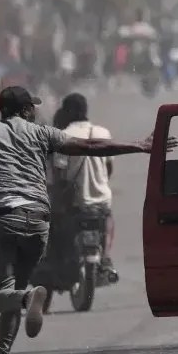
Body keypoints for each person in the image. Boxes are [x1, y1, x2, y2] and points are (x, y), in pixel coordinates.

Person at [0, 86, 177, 354]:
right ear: (23, 110)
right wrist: (139, 146)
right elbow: (90, 147)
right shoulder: (42, 133)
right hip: (37, 223)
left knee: (0, 297)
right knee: (16, 291)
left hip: (5, 220)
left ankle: (26, 298)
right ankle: (2, 348)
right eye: (31, 107)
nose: (34, 111)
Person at [49, 93, 117, 276]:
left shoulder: (63, 136)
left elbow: (59, 173)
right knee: (108, 219)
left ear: (67, 111)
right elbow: (108, 168)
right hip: (102, 200)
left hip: (76, 202)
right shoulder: (103, 133)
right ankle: (107, 257)